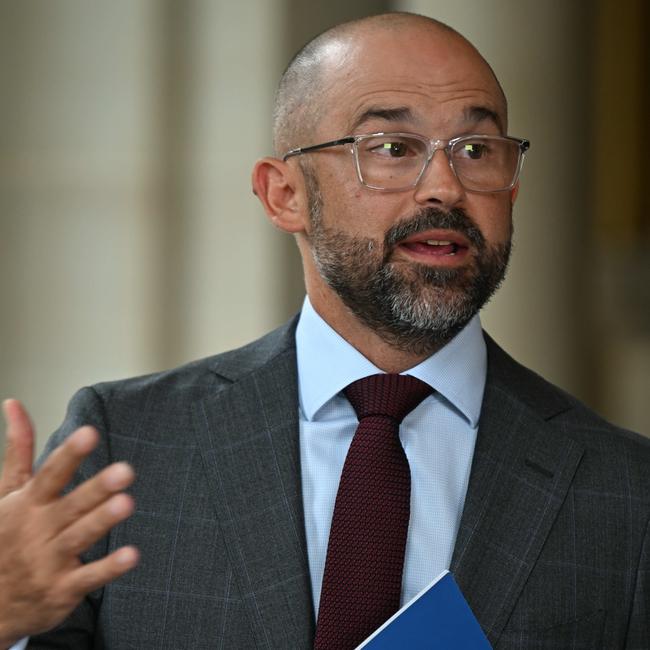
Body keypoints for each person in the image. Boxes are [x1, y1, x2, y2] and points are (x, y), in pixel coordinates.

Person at [1, 11, 648, 650]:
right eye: (392, 149)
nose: (446, 188)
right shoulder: (128, 441)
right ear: (284, 195)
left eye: (476, 151)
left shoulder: (626, 492)